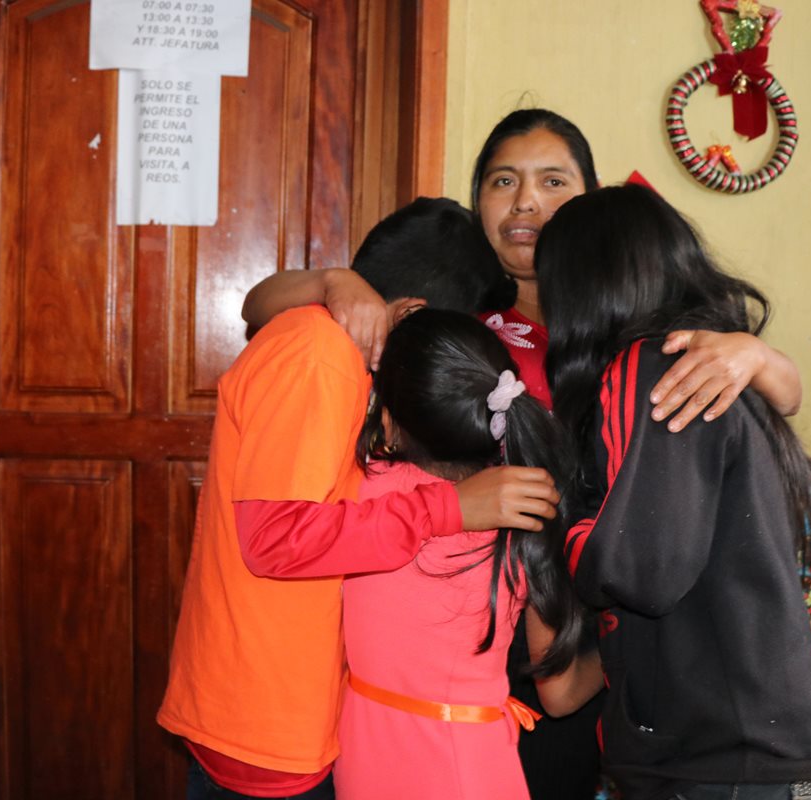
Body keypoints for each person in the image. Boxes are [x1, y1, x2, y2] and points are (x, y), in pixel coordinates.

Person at [239, 108, 805, 800]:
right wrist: (335, 282)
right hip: (476, 636)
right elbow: (262, 304)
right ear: (478, 201)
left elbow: (756, 410)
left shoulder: (636, 333)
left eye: (552, 181)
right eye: (503, 181)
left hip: (610, 616)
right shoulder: (459, 311)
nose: (526, 201)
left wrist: (761, 357)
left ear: (590, 199)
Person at [159, 197, 562, 800]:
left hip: (289, 705)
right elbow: (274, 539)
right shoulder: (321, 357)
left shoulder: (331, 343)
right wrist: (451, 508)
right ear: (412, 313)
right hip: (265, 716)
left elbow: (255, 304)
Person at [537, 184, 811, 800]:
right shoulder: (713, 361)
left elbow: (639, 567)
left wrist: (547, 522)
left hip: (718, 763)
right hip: (758, 753)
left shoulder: (653, 367)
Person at [332, 308, 602, 799]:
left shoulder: (359, 490)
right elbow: (560, 696)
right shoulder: (520, 518)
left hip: (360, 752)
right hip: (463, 765)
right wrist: (614, 653)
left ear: (389, 423)